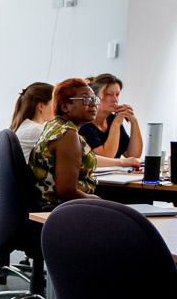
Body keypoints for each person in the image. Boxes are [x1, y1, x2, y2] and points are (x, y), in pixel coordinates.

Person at [29, 78, 101, 207]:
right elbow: (66, 192)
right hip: (62, 209)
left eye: (94, 99)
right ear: (65, 106)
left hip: (63, 206)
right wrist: (99, 201)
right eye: (86, 99)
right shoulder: (67, 134)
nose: (93, 104)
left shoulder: (54, 125)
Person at [79, 73, 143, 161]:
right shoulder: (84, 123)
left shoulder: (112, 119)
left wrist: (134, 122)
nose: (115, 100)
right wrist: (116, 124)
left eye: (117, 95)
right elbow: (107, 157)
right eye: (109, 94)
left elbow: (133, 155)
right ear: (94, 97)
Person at [10, 82, 54, 160]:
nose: (56, 107)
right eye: (54, 103)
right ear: (41, 106)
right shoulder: (35, 130)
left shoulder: (28, 126)